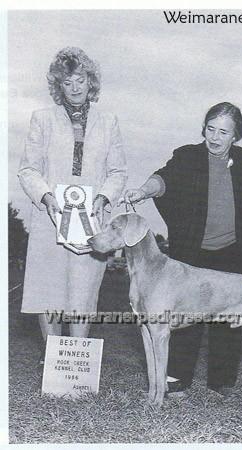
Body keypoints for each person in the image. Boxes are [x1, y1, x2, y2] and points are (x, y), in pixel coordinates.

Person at [122, 102, 242, 396]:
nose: (214, 137)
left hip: (235, 251)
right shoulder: (187, 156)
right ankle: (176, 378)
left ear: (235, 136)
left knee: (231, 320)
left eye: (223, 132)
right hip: (192, 250)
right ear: (203, 128)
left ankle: (221, 381)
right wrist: (142, 190)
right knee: (182, 319)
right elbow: (162, 179)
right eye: (210, 129)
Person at [18, 47, 127, 349]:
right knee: (47, 291)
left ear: (90, 82)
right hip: (49, 219)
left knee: (83, 292)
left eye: (80, 80)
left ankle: (77, 362)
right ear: (58, 86)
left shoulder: (109, 123)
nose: (75, 88)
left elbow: (118, 171)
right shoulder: (42, 120)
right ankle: (53, 360)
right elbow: (27, 169)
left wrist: (103, 198)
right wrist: (46, 196)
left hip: (92, 222)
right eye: (67, 82)